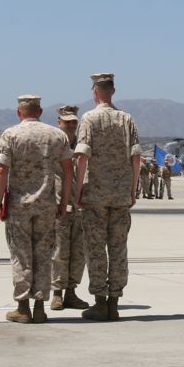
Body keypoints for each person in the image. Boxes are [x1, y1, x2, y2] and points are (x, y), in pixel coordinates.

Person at [0, 95, 72, 324]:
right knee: (44, 255)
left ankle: (22, 307)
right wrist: (63, 202)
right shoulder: (56, 135)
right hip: (47, 205)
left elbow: (0, 169)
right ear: (39, 111)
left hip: (19, 207)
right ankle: (39, 307)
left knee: (21, 255)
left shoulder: (10, 135)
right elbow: (68, 170)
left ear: (20, 112)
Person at [74, 73, 141, 322]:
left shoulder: (89, 119)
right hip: (120, 195)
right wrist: (132, 188)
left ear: (95, 92)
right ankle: (114, 302)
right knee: (118, 248)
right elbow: (136, 158)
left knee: (96, 248)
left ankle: (100, 301)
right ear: (112, 91)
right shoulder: (126, 119)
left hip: (96, 195)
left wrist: (78, 189)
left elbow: (82, 157)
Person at [50, 105, 90, 311]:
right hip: (59, 203)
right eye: (67, 122)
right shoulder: (53, 145)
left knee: (78, 252)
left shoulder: (83, 145)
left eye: (74, 122)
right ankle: (56, 292)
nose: (71, 125)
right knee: (59, 250)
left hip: (80, 203)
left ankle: (71, 291)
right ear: (59, 122)